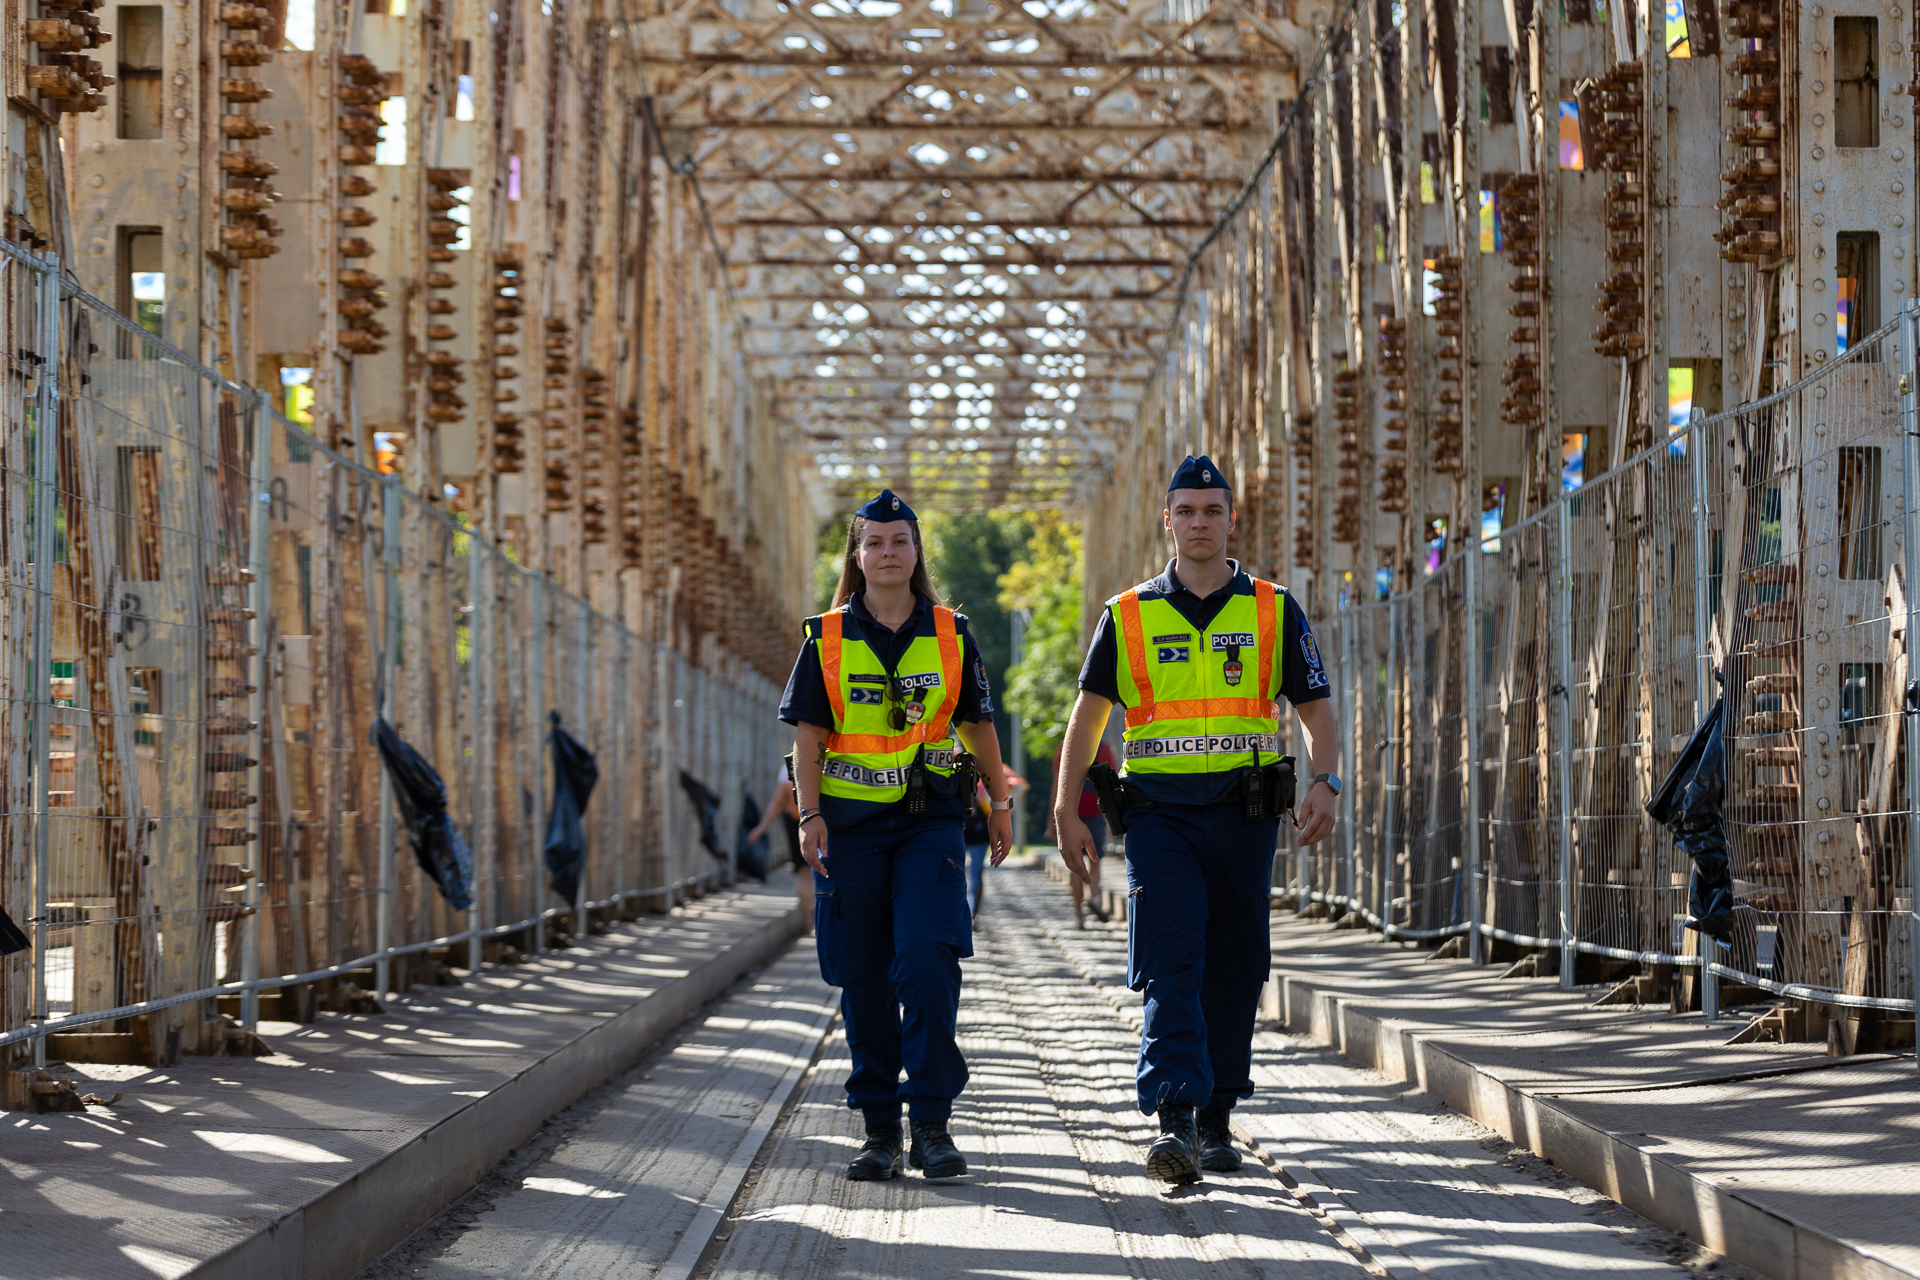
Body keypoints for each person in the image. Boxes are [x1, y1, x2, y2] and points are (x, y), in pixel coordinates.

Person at [1051, 455, 1341, 1184]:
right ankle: (1175, 1116)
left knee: (1237, 966)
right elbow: (1089, 717)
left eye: (1213, 510)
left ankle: (1218, 1119)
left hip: (1245, 816)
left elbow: (1313, 708)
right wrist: (1064, 808)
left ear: (1231, 518)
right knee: (1173, 960)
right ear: (1168, 521)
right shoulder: (1128, 615)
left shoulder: (1274, 608)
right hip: (1160, 818)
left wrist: (1328, 781)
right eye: (1187, 511)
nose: (1200, 522)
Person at [779, 488, 1015, 1183]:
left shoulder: (951, 632)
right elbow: (809, 740)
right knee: (865, 980)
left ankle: (933, 1124)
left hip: (928, 827)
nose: (888, 553)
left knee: (926, 963)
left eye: (900, 542)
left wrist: (999, 801)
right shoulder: (824, 637)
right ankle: (880, 1129)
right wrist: (810, 816)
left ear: (916, 553)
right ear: (857, 555)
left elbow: (977, 724)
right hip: (850, 833)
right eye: (875, 543)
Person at [1051, 738, 1118, 928]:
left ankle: (1079, 914)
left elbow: (1057, 785)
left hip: (1072, 812)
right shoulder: (1104, 748)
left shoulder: (1063, 749)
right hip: (1096, 811)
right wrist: (1114, 819)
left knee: (1075, 863)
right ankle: (1094, 897)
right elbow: (1110, 783)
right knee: (1095, 860)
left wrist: (1053, 819)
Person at [746, 772, 812, 934]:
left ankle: (808, 920)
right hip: (827, 820)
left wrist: (762, 827)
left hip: (798, 821)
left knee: (804, 873)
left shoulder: (790, 766)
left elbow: (779, 801)